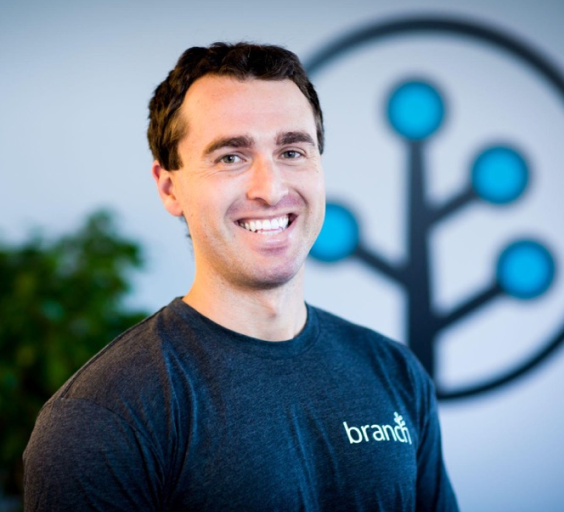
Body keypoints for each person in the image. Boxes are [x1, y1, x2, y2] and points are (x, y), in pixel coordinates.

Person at [23, 42, 459, 511]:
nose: (270, 189)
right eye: (231, 157)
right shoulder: (102, 417)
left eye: (292, 151)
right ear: (170, 187)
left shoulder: (394, 372)